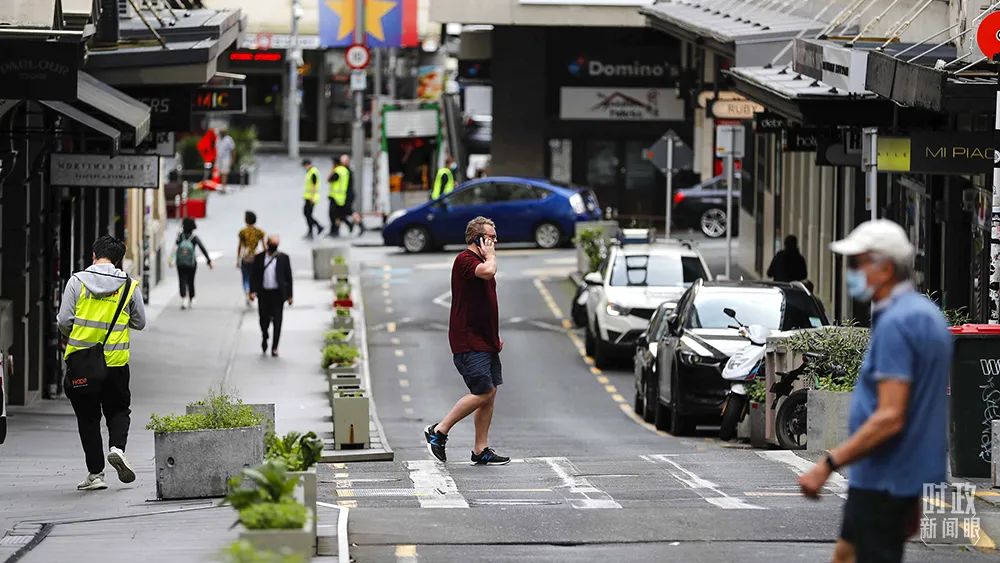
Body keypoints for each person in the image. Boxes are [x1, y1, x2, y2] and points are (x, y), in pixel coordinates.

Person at [798, 219, 953, 563]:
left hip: (883, 477)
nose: (850, 271)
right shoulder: (927, 315)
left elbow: (890, 416)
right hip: (901, 477)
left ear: (883, 268)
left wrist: (827, 464)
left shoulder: (897, 323)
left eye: (857, 263)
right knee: (846, 554)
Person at [57, 235, 146, 491]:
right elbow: (140, 322)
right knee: (118, 410)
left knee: (88, 418)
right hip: (116, 363)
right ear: (118, 260)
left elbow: (64, 320)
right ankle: (117, 448)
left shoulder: (77, 281)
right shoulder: (129, 285)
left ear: (93, 255)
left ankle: (96, 474)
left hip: (83, 362)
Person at [424, 216, 510, 466]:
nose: (495, 242)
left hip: (485, 341)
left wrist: (494, 337)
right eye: (491, 238)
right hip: (468, 341)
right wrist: (491, 256)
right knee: (483, 392)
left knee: (490, 392)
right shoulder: (466, 260)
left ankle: (480, 448)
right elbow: (488, 271)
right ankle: (438, 431)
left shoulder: (480, 260)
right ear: (478, 239)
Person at [249, 234, 293, 357]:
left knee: (278, 321)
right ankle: (265, 335)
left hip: (278, 295)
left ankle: (274, 347)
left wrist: (290, 295)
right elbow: (254, 275)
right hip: (264, 294)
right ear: (267, 244)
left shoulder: (284, 258)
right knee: (263, 319)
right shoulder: (259, 258)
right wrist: (252, 291)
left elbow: (288, 277)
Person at [174, 218, 213, 309]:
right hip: (192, 264)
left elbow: (175, 246)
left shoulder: (180, 236)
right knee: (191, 281)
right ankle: (191, 298)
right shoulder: (194, 237)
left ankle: (184, 298)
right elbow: (202, 248)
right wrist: (209, 260)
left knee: (182, 280)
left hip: (180, 263)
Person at [237, 211, 266, 306]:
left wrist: (238, 259)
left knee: (245, 277)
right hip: (255, 256)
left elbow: (240, 246)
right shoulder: (259, 232)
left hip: (246, 257)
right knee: (255, 277)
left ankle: (247, 291)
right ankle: (253, 292)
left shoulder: (242, 232)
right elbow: (264, 246)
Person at [327, 154, 355, 237]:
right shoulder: (346, 170)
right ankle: (336, 230)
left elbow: (329, 179)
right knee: (339, 214)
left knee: (336, 214)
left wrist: (332, 171)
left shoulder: (338, 171)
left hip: (338, 197)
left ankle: (337, 229)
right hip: (342, 196)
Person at [301, 159, 323, 239]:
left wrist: (312, 197)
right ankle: (315, 228)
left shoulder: (313, 172)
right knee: (307, 214)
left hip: (311, 198)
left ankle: (316, 228)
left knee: (308, 214)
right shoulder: (310, 172)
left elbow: (314, 186)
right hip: (308, 197)